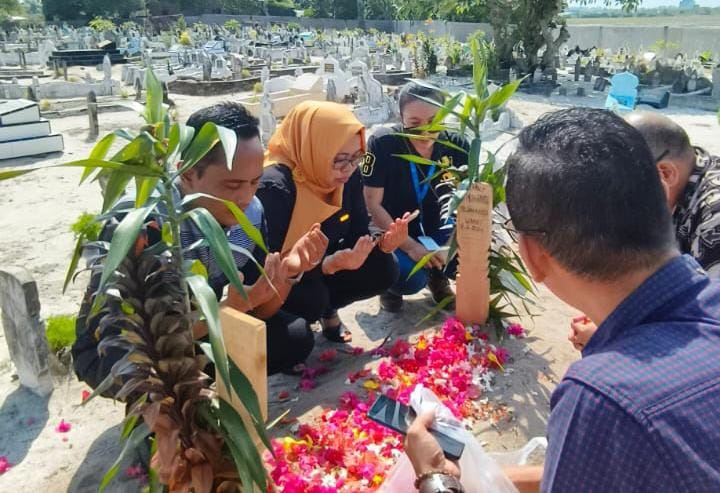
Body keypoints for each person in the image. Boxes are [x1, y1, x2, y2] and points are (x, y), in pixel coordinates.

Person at [405, 108, 720, 492]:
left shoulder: (604, 402)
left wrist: (434, 478)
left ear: (533, 254)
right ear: (659, 188)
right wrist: (475, 474)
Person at [72, 102, 329, 388]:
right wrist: (230, 308)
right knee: (144, 372)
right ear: (188, 173)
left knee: (292, 336)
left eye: (255, 182)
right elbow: (146, 334)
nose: (246, 197)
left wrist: (286, 275)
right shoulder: (144, 223)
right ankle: (163, 413)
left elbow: (258, 310)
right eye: (232, 186)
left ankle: (199, 397)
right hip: (126, 342)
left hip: (202, 319)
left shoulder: (251, 212)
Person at [256, 101, 410, 343]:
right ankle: (289, 327)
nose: (348, 168)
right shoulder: (274, 187)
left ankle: (329, 310)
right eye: (339, 159)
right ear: (314, 148)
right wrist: (324, 266)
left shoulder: (348, 176)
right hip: (284, 278)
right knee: (311, 298)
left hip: (328, 262)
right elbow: (265, 264)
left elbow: (360, 223)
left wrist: (382, 241)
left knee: (384, 266)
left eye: (357, 157)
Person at [569, 111, 720, 351]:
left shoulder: (715, 218)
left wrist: (616, 334)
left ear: (665, 173)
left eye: (623, 186)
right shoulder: (685, 180)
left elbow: (709, 340)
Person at [363, 81, 469, 313]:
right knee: (409, 279)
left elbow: (469, 205)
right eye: (414, 123)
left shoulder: (458, 146)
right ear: (401, 118)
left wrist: (452, 245)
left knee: (476, 261)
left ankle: (437, 277)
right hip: (393, 230)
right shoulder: (382, 144)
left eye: (434, 121)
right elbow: (372, 203)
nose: (426, 132)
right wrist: (409, 245)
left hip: (442, 230)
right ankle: (388, 287)